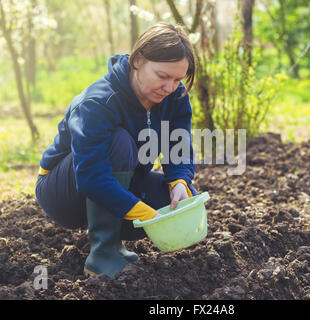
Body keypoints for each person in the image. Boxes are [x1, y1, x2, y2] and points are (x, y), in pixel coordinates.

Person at [35, 22, 199, 278]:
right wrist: (143, 211)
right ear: (138, 60)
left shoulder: (174, 96)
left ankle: (115, 245)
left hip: (119, 182)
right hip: (64, 193)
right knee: (119, 142)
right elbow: (91, 177)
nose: (170, 87)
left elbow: (178, 145)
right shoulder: (98, 103)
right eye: (162, 76)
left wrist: (180, 181)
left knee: (177, 199)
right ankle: (103, 255)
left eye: (178, 79)